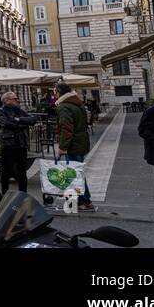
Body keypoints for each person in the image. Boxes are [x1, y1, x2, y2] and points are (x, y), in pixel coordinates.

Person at [55, 82, 94, 211]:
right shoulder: (77, 104)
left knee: (75, 173)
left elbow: (67, 127)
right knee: (77, 172)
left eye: (55, 92)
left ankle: (84, 201)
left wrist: (63, 147)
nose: (54, 94)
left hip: (73, 144)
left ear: (59, 92)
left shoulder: (64, 106)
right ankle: (80, 200)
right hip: (81, 142)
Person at [0, 91, 39, 194]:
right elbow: (6, 123)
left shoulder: (19, 110)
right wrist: (23, 123)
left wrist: (18, 119)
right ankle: (4, 194)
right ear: (6, 100)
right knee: (6, 171)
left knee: (22, 172)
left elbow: (33, 119)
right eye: (15, 99)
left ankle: (23, 194)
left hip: (21, 144)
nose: (17, 100)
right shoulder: (0, 111)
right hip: (8, 146)